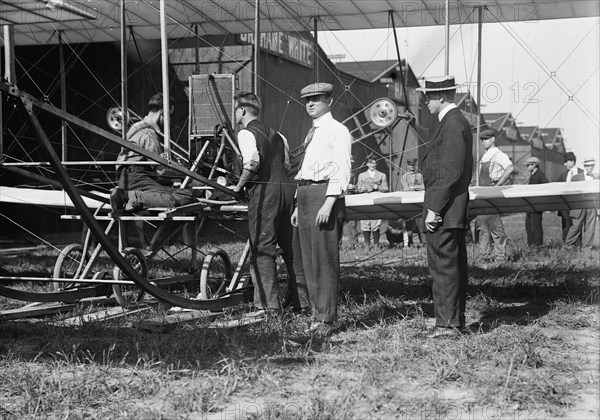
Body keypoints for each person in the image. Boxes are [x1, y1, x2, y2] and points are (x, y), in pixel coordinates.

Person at [231, 92, 308, 316]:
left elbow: (252, 162)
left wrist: (238, 187)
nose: (235, 114)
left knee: (262, 248)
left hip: (266, 194)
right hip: (287, 191)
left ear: (243, 111)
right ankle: (302, 303)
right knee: (292, 250)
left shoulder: (245, 133)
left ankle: (268, 306)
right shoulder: (279, 135)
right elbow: (286, 163)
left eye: (236, 110)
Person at [291, 82, 352, 333]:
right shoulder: (313, 131)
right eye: (307, 100)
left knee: (323, 259)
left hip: (323, 194)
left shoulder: (337, 130)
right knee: (308, 259)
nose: (311, 104)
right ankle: (317, 315)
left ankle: (326, 318)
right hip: (306, 193)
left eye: (317, 99)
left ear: (330, 101)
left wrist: (329, 202)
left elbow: (342, 168)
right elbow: (305, 169)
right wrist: (297, 203)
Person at [417, 75, 473, 339]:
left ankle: (447, 325)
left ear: (440, 97)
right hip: (449, 210)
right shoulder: (452, 122)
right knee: (450, 266)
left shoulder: (452, 124)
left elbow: (450, 172)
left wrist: (434, 209)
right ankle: (453, 321)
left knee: (443, 267)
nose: (425, 101)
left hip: (445, 210)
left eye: (428, 96)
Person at [110, 93, 195, 212]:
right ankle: (128, 197)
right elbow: (160, 170)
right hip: (137, 177)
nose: (169, 120)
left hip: (126, 178)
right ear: (163, 112)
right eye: (169, 115)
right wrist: (185, 173)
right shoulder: (149, 133)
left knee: (170, 190)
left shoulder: (135, 127)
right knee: (186, 196)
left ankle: (129, 196)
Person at [475, 129, 513, 263]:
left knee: (495, 227)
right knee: (482, 227)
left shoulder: (498, 154)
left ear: (492, 139)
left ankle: (500, 257)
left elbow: (509, 168)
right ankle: (483, 256)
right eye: (482, 140)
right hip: (482, 194)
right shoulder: (484, 156)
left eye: (486, 139)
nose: (483, 141)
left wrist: (497, 186)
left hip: (491, 193)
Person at [565, 157, 597, 248]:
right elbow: (571, 193)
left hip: (591, 205)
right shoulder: (576, 178)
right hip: (579, 205)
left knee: (590, 227)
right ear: (584, 166)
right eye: (588, 165)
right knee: (575, 227)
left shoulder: (596, 178)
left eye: (592, 165)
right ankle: (567, 246)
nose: (590, 167)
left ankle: (586, 249)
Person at [357, 157, 389, 246]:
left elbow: (386, 189)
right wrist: (361, 189)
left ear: (376, 164)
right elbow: (358, 188)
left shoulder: (382, 175)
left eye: (374, 163)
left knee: (376, 221)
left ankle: (376, 244)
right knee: (365, 221)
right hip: (365, 199)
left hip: (376, 199)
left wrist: (378, 187)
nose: (372, 165)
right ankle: (367, 244)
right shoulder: (362, 175)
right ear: (367, 164)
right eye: (370, 163)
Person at [557, 151, 583, 242]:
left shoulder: (582, 173)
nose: (565, 164)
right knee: (566, 224)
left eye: (566, 162)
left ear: (572, 161)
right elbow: (557, 189)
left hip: (577, 205)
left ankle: (578, 244)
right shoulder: (563, 175)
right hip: (565, 205)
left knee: (577, 224)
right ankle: (566, 245)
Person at [399, 158, 425, 247]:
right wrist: (416, 188)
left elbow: (424, 186)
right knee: (408, 224)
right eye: (410, 165)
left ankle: (423, 242)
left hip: (419, 201)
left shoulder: (420, 175)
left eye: (413, 165)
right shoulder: (404, 176)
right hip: (409, 202)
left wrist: (414, 187)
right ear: (407, 166)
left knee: (421, 222)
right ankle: (409, 242)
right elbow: (406, 189)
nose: (412, 167)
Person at [523, 157, 549, 246]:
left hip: (536, 206)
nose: (526, 167)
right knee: (529, 226)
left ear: (534, 165)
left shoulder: (540, 175)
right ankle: (531, 244)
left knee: (536, 226)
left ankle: (538, 245)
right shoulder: (533, 174)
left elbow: (546, 187)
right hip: (530, 206)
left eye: (527, 165)